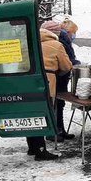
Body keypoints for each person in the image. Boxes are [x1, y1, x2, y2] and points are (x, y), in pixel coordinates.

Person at [28, 26, 73, 160]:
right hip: (47, 82)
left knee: (33, 114)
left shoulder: (31, 43)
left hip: (29, 81)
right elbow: (66, 66)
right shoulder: (56, 45)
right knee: (44, 115)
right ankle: (41, 151)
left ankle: (32, 147)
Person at [48, 19, 81, 142]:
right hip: (59, 76)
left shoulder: (58, 38)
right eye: (73, 32)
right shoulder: (62, 39)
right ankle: (56, 131)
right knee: (57, 102)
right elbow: (67, 59)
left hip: (57, 76)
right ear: (68, 32)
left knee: (58, 103)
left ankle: (60, 130)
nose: (73, 35)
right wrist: (75, 64)